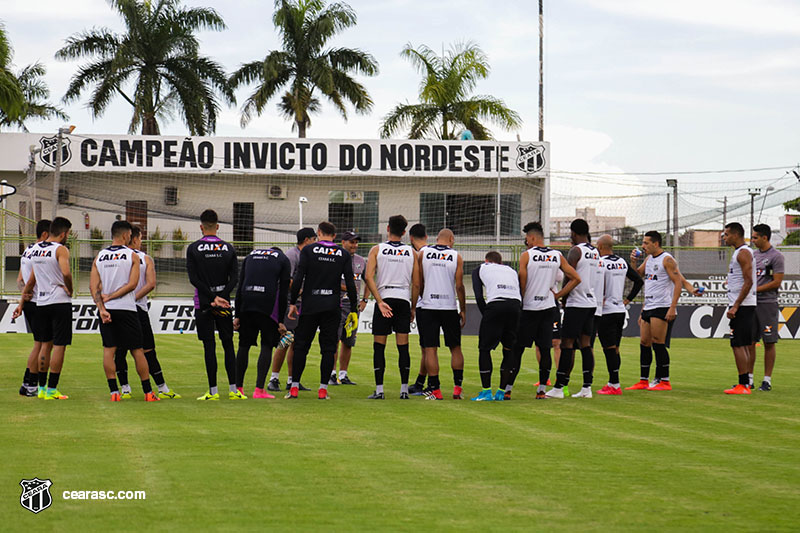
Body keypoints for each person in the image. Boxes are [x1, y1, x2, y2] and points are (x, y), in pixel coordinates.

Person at [286, 222, 357, 400]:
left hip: (310, 305)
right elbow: (350, 283)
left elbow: (299, 277)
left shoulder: (308, 250)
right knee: (328, 349)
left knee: (301, 347)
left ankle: (294, 388)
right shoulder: (342, 253)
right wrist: (354, 308)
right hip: (332, 306)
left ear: (318, 233)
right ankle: (323, 390)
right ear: (335, 236)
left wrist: (292, 302)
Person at [90, 220, 159, 402]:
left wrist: (102, 307)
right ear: (125, 235)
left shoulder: (100, 256)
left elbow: (93, 287)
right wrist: (113, 296)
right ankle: (148, 392)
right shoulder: (132, 255)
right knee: (137, 351)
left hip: (106, 310)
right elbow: (132, 285)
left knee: (109, 350)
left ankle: (114, 392)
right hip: (127, 309)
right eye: (129, 235)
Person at [513, 222, 581, 400]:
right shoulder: (556, 255)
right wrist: (558, 295)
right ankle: (542, 390)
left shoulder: (527, 255)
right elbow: (576, 278)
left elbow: (522, 280)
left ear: (532, 237)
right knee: (545, 349)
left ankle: (507, 389)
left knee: (518, 349)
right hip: (549, 307)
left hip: (529, 308)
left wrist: (522, 299)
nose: (526, 242)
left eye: (527, 238)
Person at [113, 226, 180, 399]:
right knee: (147, 350)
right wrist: (133, 298)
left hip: (118, 308)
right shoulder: (145, 258)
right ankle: (162, 388)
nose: (141, 242)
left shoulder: (114, 257)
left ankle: (125, 389)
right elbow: (150, 284)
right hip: (138, 309)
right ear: (134, 239)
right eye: (141, 238)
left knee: (120, 351)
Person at [14, 216, 73, 400]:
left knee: (43, 344)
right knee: (57, 345)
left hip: (40, 301)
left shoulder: (33, 250)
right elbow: (66, 273)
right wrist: (70, 289)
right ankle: (49, 388)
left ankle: (38, 387)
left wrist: (22, 301)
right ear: (62, 233)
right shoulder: (59, 249)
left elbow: (28, 280)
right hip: (57, 301)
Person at [186, 209, 241, 401]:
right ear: (217, 226)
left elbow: (193, 279)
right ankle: (234, 390)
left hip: (203, 303)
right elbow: (235, 278)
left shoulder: (193, 248)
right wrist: (222, 296)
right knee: (228, 344)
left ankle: (213, 391)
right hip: (223, 304)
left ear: (201, 227)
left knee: (209, 346)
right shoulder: (228, 248)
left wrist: (211, 297)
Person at [364, 215, 419, 399]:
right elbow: (416, 283)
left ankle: (380, 390)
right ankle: (404, 390)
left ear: (388, 228)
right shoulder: (412, 252)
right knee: (403, 347)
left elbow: (368, 277)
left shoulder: (377, 249)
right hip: (403, 299)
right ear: (404, 232)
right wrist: (413, 307)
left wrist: (379, 301)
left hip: (385, 298)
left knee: (379, 347)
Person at [625, 231, 684, 392]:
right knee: (644, 343)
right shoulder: (649, 259)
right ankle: (643, 380)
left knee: (658, 343)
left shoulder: (667, 260)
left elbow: (678, 283)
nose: (643, 246)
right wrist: (633, 262)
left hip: (662, 306)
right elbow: (637, 275)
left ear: (656, 244)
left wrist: (672, 307)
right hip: (648, 306)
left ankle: (664, 380)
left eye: (646, 243)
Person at [546, 218, 598, 399]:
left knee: (566, 344)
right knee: (586, 344)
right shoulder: (595, 251)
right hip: (591, 302)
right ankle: (587, 387)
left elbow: (570, 276)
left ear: (574, 233)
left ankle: (559, 387)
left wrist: (562, 297)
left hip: (577, 303)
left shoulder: (576, 251)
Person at [415, 228, 466, 400]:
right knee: (455, 347)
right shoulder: (456, 256)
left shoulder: (423, 253)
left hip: (429, 306)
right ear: (451, 239)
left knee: (430, 349)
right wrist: (463, 309)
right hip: (448, 306)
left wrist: (422, 296)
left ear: (437, 239)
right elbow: (459, 286)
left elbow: (419, 281)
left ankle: (435, 390)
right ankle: (457, 388)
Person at [233, 245, 291, 399]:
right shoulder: (283, 259)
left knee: (243, 346)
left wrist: (237, 314)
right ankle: (259, 390)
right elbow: (284, 291)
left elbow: (240, 285)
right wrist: (280, 320)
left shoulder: (250, 256)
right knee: (266, 345)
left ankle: (238, 388)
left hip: (247, 303)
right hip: (267, 306)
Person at [267, 227, 316, 392]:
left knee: (297, 342)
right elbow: (287, 279)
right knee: (286, 339)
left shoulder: (308, 255)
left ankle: (292, 380)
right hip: (290, 303)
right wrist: (301, 291)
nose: (315, 243)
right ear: (307, 240)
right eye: (314, 239)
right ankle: (274, 378)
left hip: (303, 303)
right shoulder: (292, 255)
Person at [594, 234, 643, 395]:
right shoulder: (622, 262)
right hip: (620, 310)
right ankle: (612, 382)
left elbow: (598, 285)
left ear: (600, 247)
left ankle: (614, 384)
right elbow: (639, 281)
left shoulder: (600, 262)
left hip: (606, 311)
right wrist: (627, 300)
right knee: (615, 348)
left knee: (609, 349)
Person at [470, 251, 521, 401]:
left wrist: (485, 314)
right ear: (501, 262)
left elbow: (479, 296)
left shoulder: (480, 268)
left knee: (484, 349)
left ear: (486, 260)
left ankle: (486, 391)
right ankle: (501, 392)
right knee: (509, 349)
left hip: (496, 305)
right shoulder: (511, 270)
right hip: (515, 306)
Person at [16, 219, 50, 397]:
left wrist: (24, 295)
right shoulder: (41, 252)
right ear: (45, 234)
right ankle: (31, 384)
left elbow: (20, 280)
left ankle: (26, 383)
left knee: (39, 343)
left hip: (30, 302)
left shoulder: (27, 251)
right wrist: (28, 292)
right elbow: (32, 279)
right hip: (39, 302)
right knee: (42, 345)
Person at [723, 222, 757, 395]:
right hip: (742, 304)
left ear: (736, 235)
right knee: (741, 344)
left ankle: (743, 384)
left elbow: (748, 281)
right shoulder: (739, 252)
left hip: (742, 306)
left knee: (738, 344)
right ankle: (745, 383)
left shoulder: (743, 252)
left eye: (727, 234)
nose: (724, 237)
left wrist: (736, 306)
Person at [330, 231, 368, 385]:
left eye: (356, 242)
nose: (355, 245)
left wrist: (365, 299)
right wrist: (348, 288)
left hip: (353, 307)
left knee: (349, 341)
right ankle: (332, 373)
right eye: (352, 242)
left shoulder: (360, 260)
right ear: (343, 242)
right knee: (334, 339)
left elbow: (369, 279)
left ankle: (343, 374)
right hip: (337, 304)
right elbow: (329, 279)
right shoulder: (335, 257)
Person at [750, 224, 784, 391]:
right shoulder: (752, 255)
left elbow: (776, 282)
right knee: (750, 341)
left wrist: (754, 290)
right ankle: (748, 379)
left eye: (755, 237)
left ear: (765, 237)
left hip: (767, 303)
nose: (753, 240)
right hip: (750, 303)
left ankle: (767, 380)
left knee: (769, 342)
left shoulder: (776, 256)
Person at [407, 223, 429, 395]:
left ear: (411, 238)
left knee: (427, 348)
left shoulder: (417, 255)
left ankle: (426, 384)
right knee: (429, 347)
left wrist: (413, 306)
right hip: (443, 303)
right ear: (426, 237)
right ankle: (421, 382)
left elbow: (417, 283)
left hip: (424, 304)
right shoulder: (435, 252)